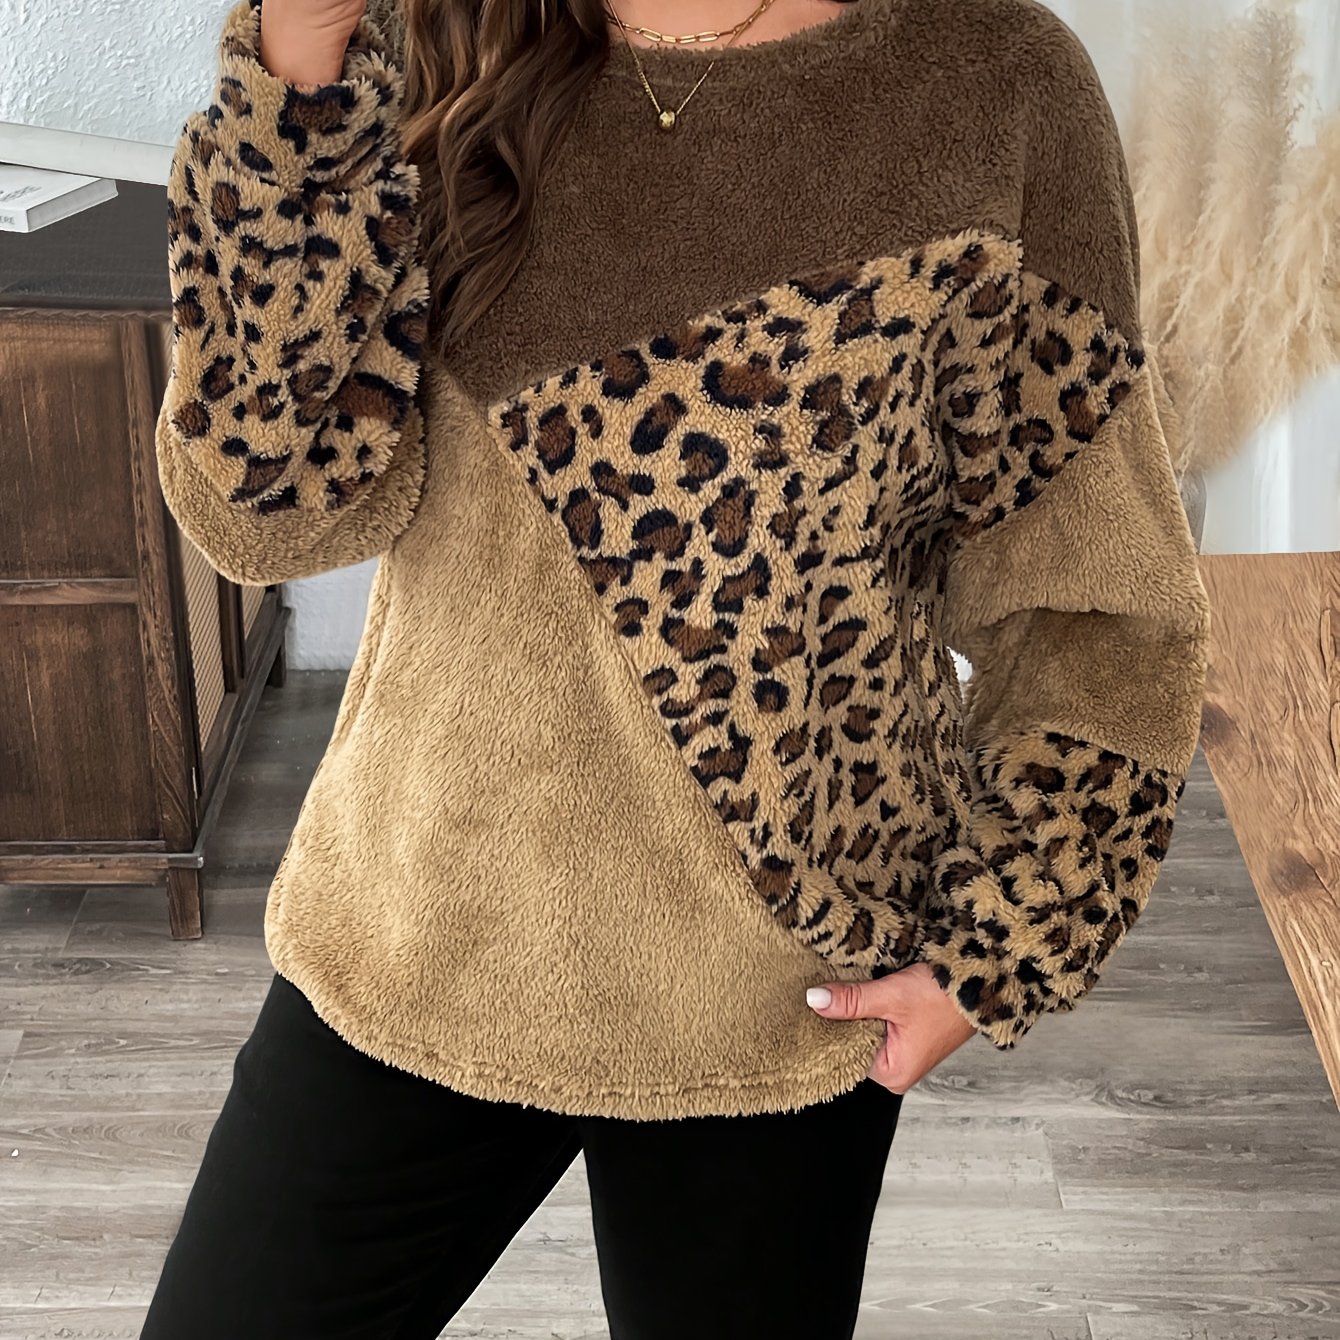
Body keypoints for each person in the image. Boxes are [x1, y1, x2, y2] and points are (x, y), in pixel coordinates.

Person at [140, 0, 1212, 1335]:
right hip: (423, 930)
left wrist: (998, 946)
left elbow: (1099, 613)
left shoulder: (993, 82)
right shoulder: (423, 38)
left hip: (779, 991)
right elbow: (263, 516)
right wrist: (300, 66)